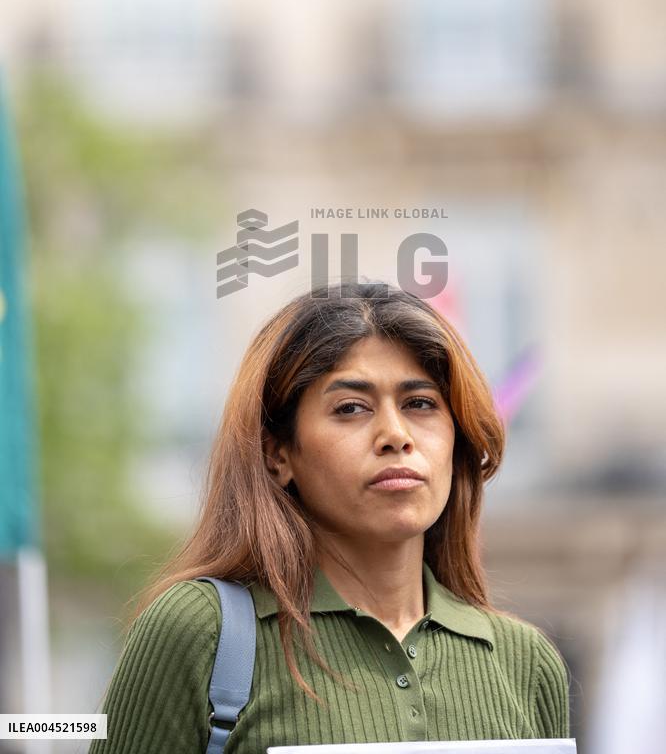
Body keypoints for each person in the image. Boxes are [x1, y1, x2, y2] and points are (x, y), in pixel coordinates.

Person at [90, 280, 571, 753]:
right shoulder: (201, 633)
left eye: (420, 403)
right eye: (351, 408)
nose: (396, 435)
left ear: (456, 439)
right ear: (277, 452)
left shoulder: (525, 663)